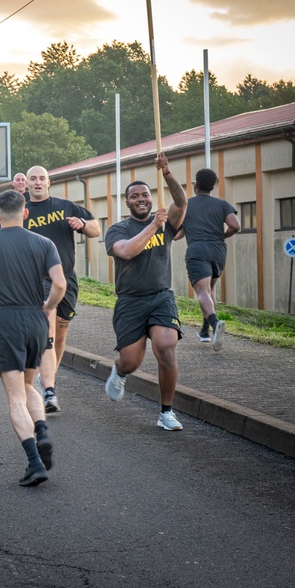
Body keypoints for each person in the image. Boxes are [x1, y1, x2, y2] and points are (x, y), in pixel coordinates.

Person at [0, 190, 66, 486]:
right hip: (37, 319)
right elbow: (59, 284)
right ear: (25, 213)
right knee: (28, 384)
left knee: (15, 396)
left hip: (8, 320)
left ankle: (34, 462)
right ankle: (43, 432)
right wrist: (47, 307)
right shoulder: (44, 243)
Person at [104, 154, 189, 431]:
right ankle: (120, 371)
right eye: (134, 196)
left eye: (145, 195)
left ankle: (166, 413)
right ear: (127, 202)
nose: (141, 199)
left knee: (165, 347)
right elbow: (127, 251)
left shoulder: (167, 222)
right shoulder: (118, 229)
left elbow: (181, 202)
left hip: (161, 296)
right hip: (129, 301)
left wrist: (166, 173)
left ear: (151, 198)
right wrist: (154, 225)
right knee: (131, 361)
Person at [24, 165, 100, 413]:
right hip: (38, 280)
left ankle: (48, 380)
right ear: (26, 183)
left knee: (61, 335)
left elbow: (96, 228)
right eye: (32, 179)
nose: (37, 183)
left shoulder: (65, 206)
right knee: (48, 329)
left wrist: (82, 225)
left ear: (49, 182)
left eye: (41, 179)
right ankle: (49, 391)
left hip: (66, 278)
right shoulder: (21, 209)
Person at [181, 168, 239, 351]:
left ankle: (215, 325)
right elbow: (235, 226)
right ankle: (205, 332)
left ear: (195, 185)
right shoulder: (222, 204)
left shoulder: (187, 205)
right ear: (213, 186)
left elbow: (175, 236)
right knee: (211, 289)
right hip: (218, 250)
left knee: (202, 292)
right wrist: (221, 236)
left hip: (197, 250)